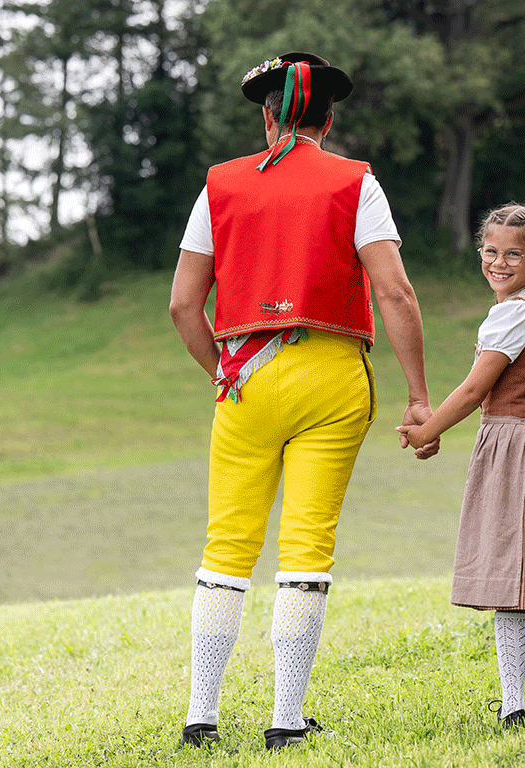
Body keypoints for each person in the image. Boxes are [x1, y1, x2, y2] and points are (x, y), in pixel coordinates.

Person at [169, 52, 432, 750]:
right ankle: (285, 721)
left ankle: (201, 717)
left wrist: (222, 374)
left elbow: (183, 305)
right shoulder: (356, 183)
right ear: (328, 118)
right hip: (330, 376)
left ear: (267, 115)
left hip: (246, 376)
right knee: (306, 546)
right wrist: (419, 397)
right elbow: (395, 292)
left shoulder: (218, 186)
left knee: (226, 548)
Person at [396, 203, 525, 729]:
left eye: (513, 254)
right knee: (512, 580)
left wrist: (429, 429)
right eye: (490, 251)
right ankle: (514, 706)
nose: (497, 261)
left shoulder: (514, 312)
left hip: (518, 448)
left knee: (514, 575)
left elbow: (476, 387)